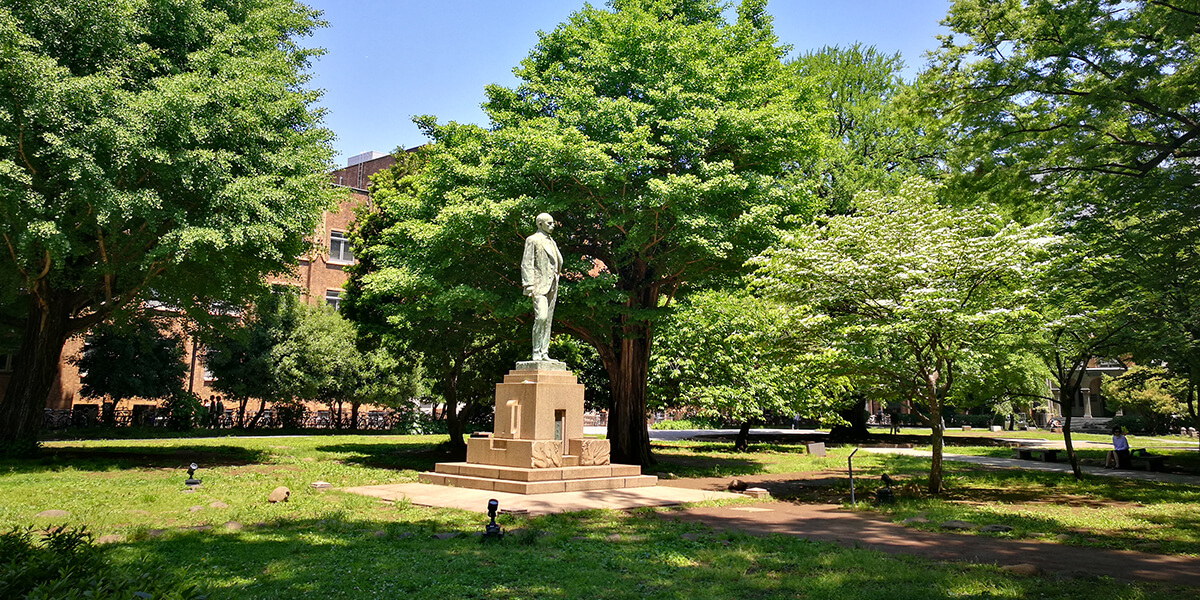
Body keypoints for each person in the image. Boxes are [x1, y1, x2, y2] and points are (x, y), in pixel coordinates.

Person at [521, 213, 563, 361]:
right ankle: (536, 352)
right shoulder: (533, 240)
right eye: (549, 223)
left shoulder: (552, 241)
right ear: (540, 224)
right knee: (541, 317)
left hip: (553, 284)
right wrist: (529, 285)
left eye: (553, 223)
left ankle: (544, 352)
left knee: (548, 320)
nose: (552, 226)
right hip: (539, 285)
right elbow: (527, 263)